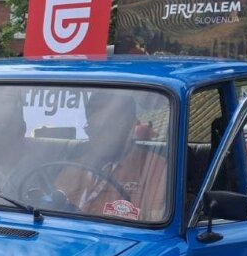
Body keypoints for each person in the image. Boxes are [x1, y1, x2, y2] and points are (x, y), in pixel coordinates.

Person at [55, 91, 167, 222]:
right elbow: (54, 203)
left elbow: (154, 226)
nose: (99, 137)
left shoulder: (155, 168)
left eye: (108, 128)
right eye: (94, 128)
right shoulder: (77, 165)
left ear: (131, 127)